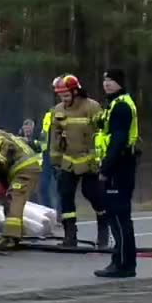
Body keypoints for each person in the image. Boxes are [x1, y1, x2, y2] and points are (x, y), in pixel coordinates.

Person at [48, 74, 107, 248]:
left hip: (89, 161)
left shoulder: (92, 107)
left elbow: (103, 134)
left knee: (93, 194)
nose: (63, 98)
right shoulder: (58, 110)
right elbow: (55, 137)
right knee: (66, 195)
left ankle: (103, 233)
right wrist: (55, 161)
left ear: (76, 91)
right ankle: (70, 236)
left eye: (66, 95)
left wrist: (101, 160)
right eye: (60, 95)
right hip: (68, 161)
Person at [95, 69, 140, 278]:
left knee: (119, 217)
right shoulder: (114, 104)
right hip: (120, 164)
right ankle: (121, 260)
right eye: (105, 80)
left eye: (111, 80)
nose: (106, 84)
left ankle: (123, 263)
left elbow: (118, 139)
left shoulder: (121, 105)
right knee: (118, 216)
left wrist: (106, 169)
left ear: (120, 83)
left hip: (119, 166)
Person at [0, 128, 41, 250]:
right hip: (22, 169)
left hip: (24, 168)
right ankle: (17, 232)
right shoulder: (1, 135)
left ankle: (11, 236)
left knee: (15, 197)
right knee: (9, 200)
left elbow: (8, 147)